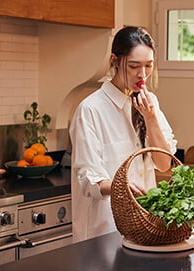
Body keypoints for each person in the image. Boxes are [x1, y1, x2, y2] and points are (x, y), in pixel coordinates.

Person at [69, 26, 177, 243]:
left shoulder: (150, 103)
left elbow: (164, 163)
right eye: (134, 66)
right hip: (103, 231)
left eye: (149, 66)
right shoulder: (91, 109)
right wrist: (122, 186)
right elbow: (89, 179)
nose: (142, 74)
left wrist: (151, 118)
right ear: (115, 61)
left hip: (144, 227)